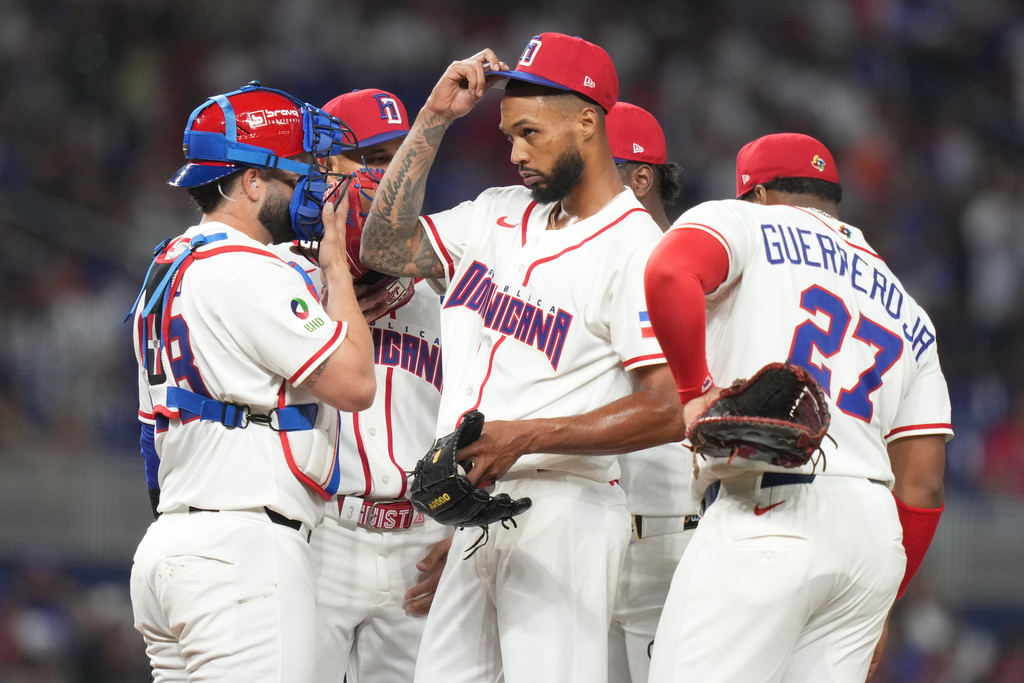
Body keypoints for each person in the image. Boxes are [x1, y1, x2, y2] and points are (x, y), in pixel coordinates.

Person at [359, 32, 687, 683]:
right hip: (474, 505)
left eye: (531, 132)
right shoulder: (496, 212)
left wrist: (526, 436)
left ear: (587, 123)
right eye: (510, 133)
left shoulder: (636, 248)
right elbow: (384, 246)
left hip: (567, 506)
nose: (514, 152)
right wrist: (433, 117)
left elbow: (670, 407)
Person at [644, 132, 951, 681]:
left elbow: (669, 271)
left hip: (770, 505)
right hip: (872, 538)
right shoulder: (907, 305)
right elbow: (923, 484)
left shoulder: (752, 223)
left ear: (757, 193)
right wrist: (883, 599)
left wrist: (692, 395)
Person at [128, 82, 375, 682]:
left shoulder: (169, 263)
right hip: (241, 554)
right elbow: (355, 383)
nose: (311, 190)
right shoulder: (247, 270)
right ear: (252, 182)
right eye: (296, 174)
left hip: (172, 546)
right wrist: (336, 268)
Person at [303, 88, 453, 683]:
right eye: (369, 157)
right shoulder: (283, 277)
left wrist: (466, 536)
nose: (387, 176)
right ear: (323, 166)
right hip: (322, 531)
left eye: (399, 157)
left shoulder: (452, 282)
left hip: (420, 539)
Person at [604, 101, 691, 683]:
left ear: (641, 177)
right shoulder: (585, 258)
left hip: (666, 535)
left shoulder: (695, 264)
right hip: (589, 528)